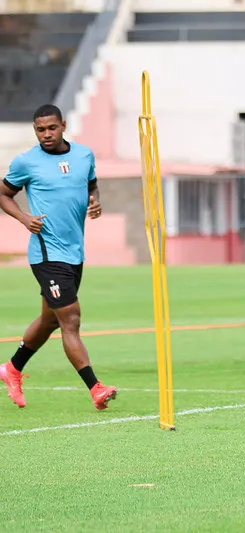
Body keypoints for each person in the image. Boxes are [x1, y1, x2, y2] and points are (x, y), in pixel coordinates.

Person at [0, 104, 118, 410]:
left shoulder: (83, 156)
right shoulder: (26, 162)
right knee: (71, 319)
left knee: (50, 320)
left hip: (74, 252)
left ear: (63, 125)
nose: (46, 134)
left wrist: (96, 204)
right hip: (46, 252)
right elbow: (3, 193)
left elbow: (92, 187)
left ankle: (11, 369)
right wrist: (24, 218)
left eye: (52, 128)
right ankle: (95, 387)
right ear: (35, 130)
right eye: (40, 130)